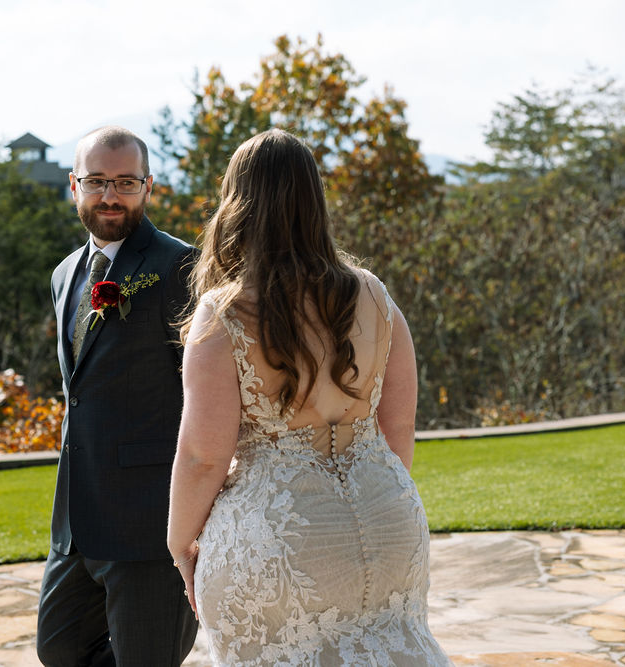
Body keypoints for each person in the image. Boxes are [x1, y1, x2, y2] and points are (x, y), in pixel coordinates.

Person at [166, 128, 452, 665]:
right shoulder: (374, 295)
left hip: (285, 541)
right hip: (388, 513)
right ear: (314, 199)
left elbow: (204, 457)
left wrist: (180, 544)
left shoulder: (225, 314)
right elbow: (398, 428)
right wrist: (372, 491)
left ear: (237, 203)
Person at [37, 126, 198, 667]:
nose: (111, 196)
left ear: (148, 185)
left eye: (126, 182)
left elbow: (206, 394)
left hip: (150, 522)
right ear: (73, 184)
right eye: (98, 181)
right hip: (78, 521)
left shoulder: (181, 268)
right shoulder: (65, 275)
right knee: (59, 649)